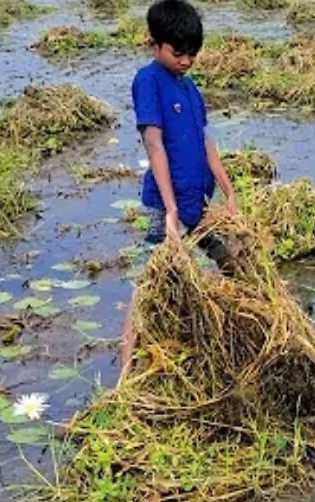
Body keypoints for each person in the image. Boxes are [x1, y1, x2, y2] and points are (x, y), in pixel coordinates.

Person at [120, 0, 239, 376]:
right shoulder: (148, 81)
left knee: (231, 259)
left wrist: (229, 191)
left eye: (193, 54)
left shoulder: (190, 90)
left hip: (198, 204)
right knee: (148, 286)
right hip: (165, 206)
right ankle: (125, 375)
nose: (186, 61)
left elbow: (205, 144)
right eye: (178, 53)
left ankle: (235, 331)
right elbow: (154, 146)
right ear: (153, 44)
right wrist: (170, 210)